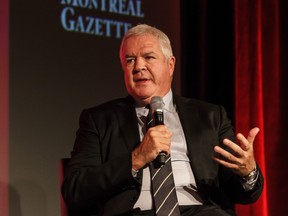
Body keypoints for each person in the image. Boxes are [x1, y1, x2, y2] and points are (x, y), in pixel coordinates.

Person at [61, 24, 264, 216]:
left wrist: (248, 173)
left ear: (170, 64)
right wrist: (137, 158)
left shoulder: (210, 116)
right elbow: (75, 190)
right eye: (130, 60)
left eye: (148, 57)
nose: (139, 66)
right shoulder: (99, 119)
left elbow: (241, 192)